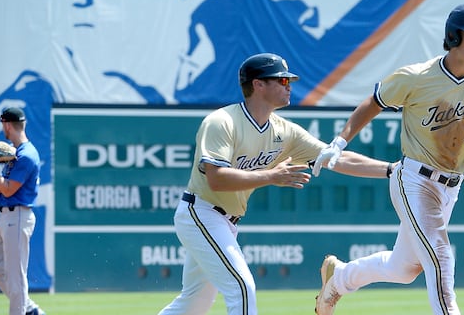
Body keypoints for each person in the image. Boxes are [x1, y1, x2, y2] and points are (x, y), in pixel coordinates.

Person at [312, 3, 464, 315]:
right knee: (440, 257)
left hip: (450, 186)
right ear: (453, 36)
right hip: (415, 178)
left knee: (403, 269)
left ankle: (339, 278)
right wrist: (341, 140)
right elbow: (374, 102)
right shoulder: (417, 77)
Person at [158, 53, 393, 315]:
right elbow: (217, 179)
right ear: (258, 84)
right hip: (200, 212)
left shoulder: (285, 131)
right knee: (242, 287)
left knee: (193, 304)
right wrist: (271, 176)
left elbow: (334, 158)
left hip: (224, 220)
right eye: (281, 79)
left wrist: (391, 170)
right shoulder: (222, 122)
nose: (289, 85)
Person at [0, 107, 45, 315]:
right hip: (6, 215)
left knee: (17, 278)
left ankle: (24, 310)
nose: (3, 129)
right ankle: (30, 309)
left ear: (8, 125)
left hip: (17, 215)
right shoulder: (15, 151)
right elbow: (5, 186)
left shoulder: (26, 154)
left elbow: (9, 189)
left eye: (3, 124)